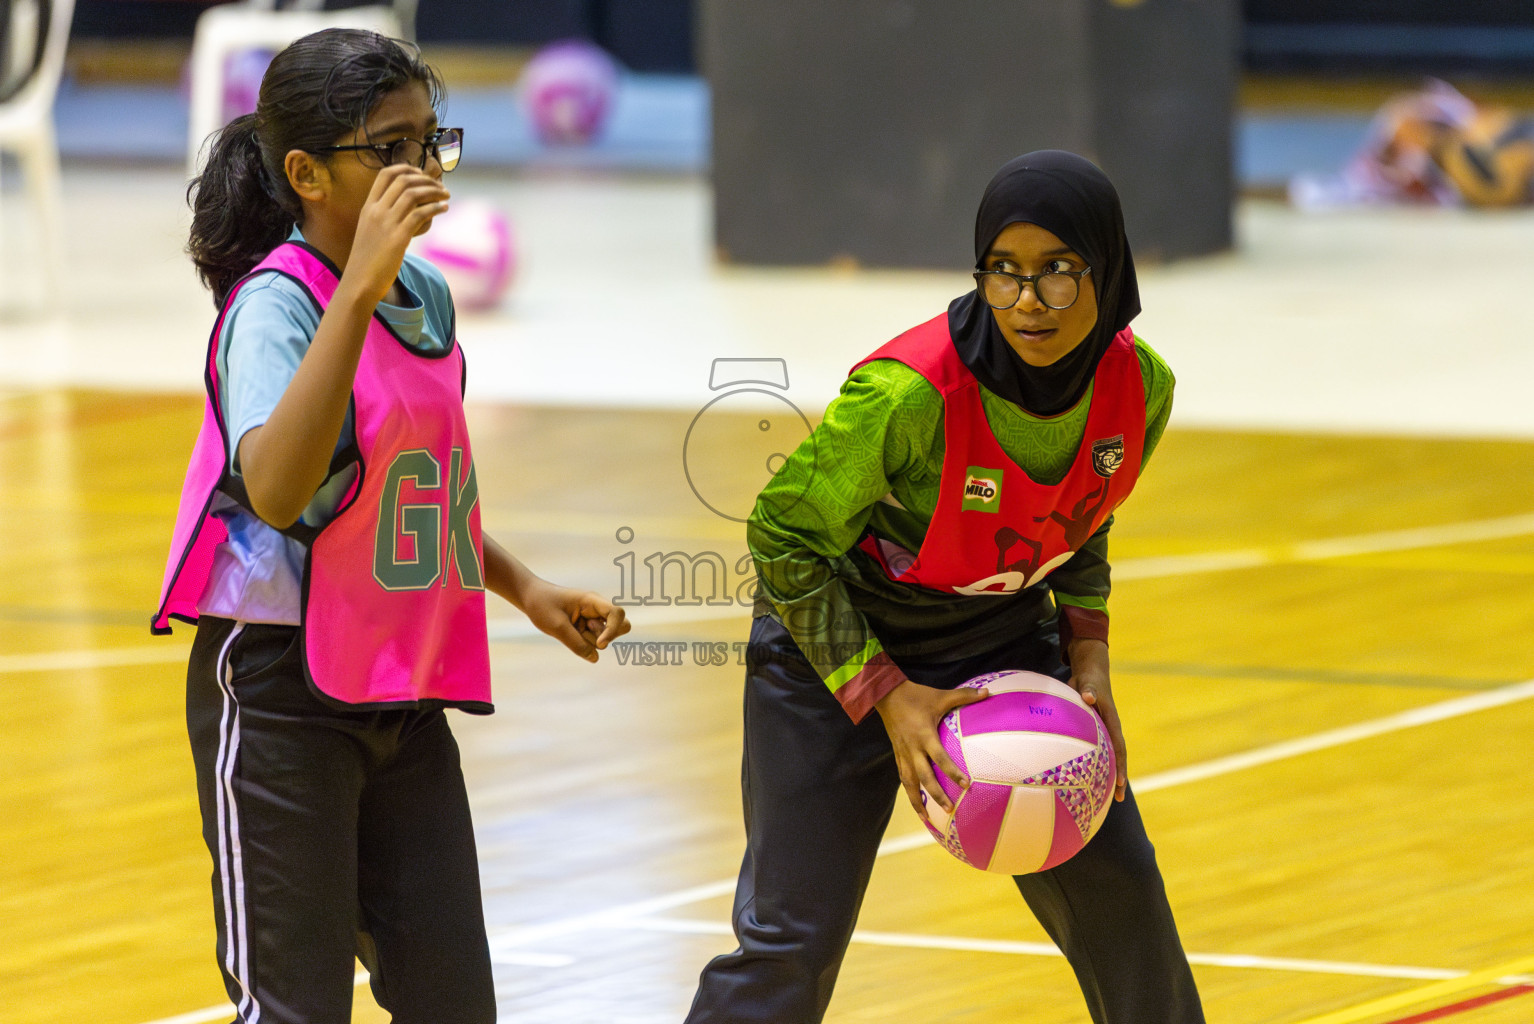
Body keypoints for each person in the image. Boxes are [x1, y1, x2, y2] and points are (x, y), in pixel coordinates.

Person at [151, 29, 628, 1023]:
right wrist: (355, 283)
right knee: (296, 1007)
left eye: (429, 142)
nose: (419, 169)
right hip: (280, 690)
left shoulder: (426, 296)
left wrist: (522, 585)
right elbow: (278, 491)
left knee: (455, 1003)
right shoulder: (273, 308)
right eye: (390, 147)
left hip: (401, 689)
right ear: (306, 173)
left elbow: (412, 489)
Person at [684, 150, 1203, 1023]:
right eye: (1003, 272)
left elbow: (1086, 517)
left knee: (1125, 902)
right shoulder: (908, 393)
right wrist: (885, 694)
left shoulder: (1140, 386)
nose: (1027, 302)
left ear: (1107, 270)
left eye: (1058, 272)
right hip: (839, 648)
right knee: (791, 944)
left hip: (1002, 638)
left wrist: (1090, 659)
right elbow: (780, 535)